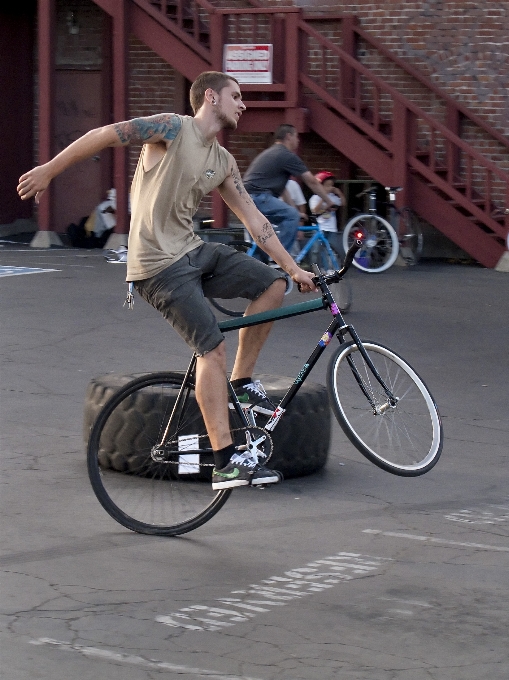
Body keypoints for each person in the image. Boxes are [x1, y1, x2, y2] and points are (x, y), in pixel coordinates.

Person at [17, 71, 317, 491]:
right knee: (210, 349)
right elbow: (106, 134)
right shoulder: (171, 129)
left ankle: (243, 382)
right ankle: (226, 460)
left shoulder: (223, 161)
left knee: (271, 285)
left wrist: (293, 269)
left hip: (194, 252)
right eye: (237, 96)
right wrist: (50, 169)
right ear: (211, 97)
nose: (243, 104)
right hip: (157, 265)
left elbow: (256, 221)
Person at [243, 124, 336, 253]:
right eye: (296, 136)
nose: (298, 140)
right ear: (288, 136)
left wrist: (295, 210)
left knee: (264, 243)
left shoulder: (272, 152)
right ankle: (280, 257)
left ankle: (262, 266)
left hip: (248, 199)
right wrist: (329, 201)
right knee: (291, 217)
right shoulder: (286, 155)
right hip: (258, 197)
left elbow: (283, 190)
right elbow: (311, 181)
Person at [308, 171, 346, 261]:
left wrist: (339, 193)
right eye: (327, 186)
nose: (330, 188)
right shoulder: (315, 198)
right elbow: (315, 211)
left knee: (330, 249)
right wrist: (323, 197)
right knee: (316, 249)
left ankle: (330, 269)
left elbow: (343, 203)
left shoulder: (332, 196)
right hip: (319, 228)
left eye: (331, 185)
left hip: (332, 228)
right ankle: (315, 268)